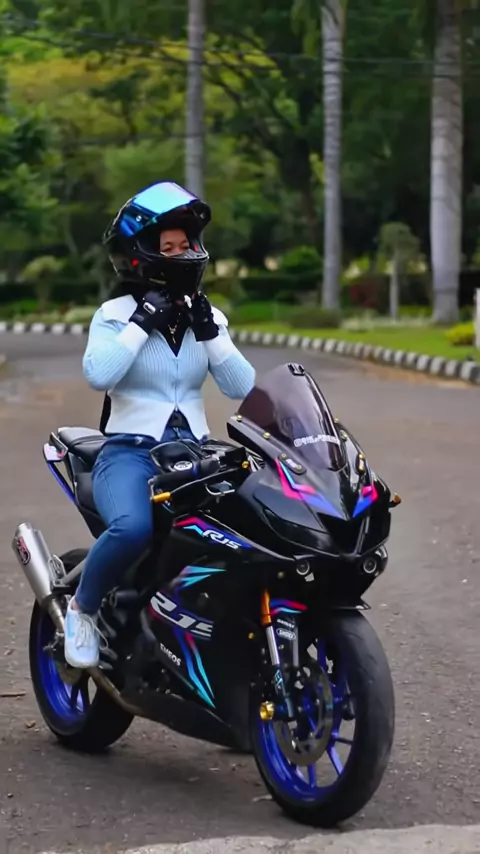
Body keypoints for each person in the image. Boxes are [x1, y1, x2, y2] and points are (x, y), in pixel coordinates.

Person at [64, 180, 256, 669]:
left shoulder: (208, 316)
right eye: (167, 247)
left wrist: (210, 332)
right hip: (130, 452)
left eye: (186, 244)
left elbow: (241, 386)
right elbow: (99, 375)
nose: (181, 254)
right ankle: (82, 609)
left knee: (248, 530)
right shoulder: (114, 315)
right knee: (132, 529)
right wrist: (143, 322)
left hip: (194, 452)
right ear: (140, 255)